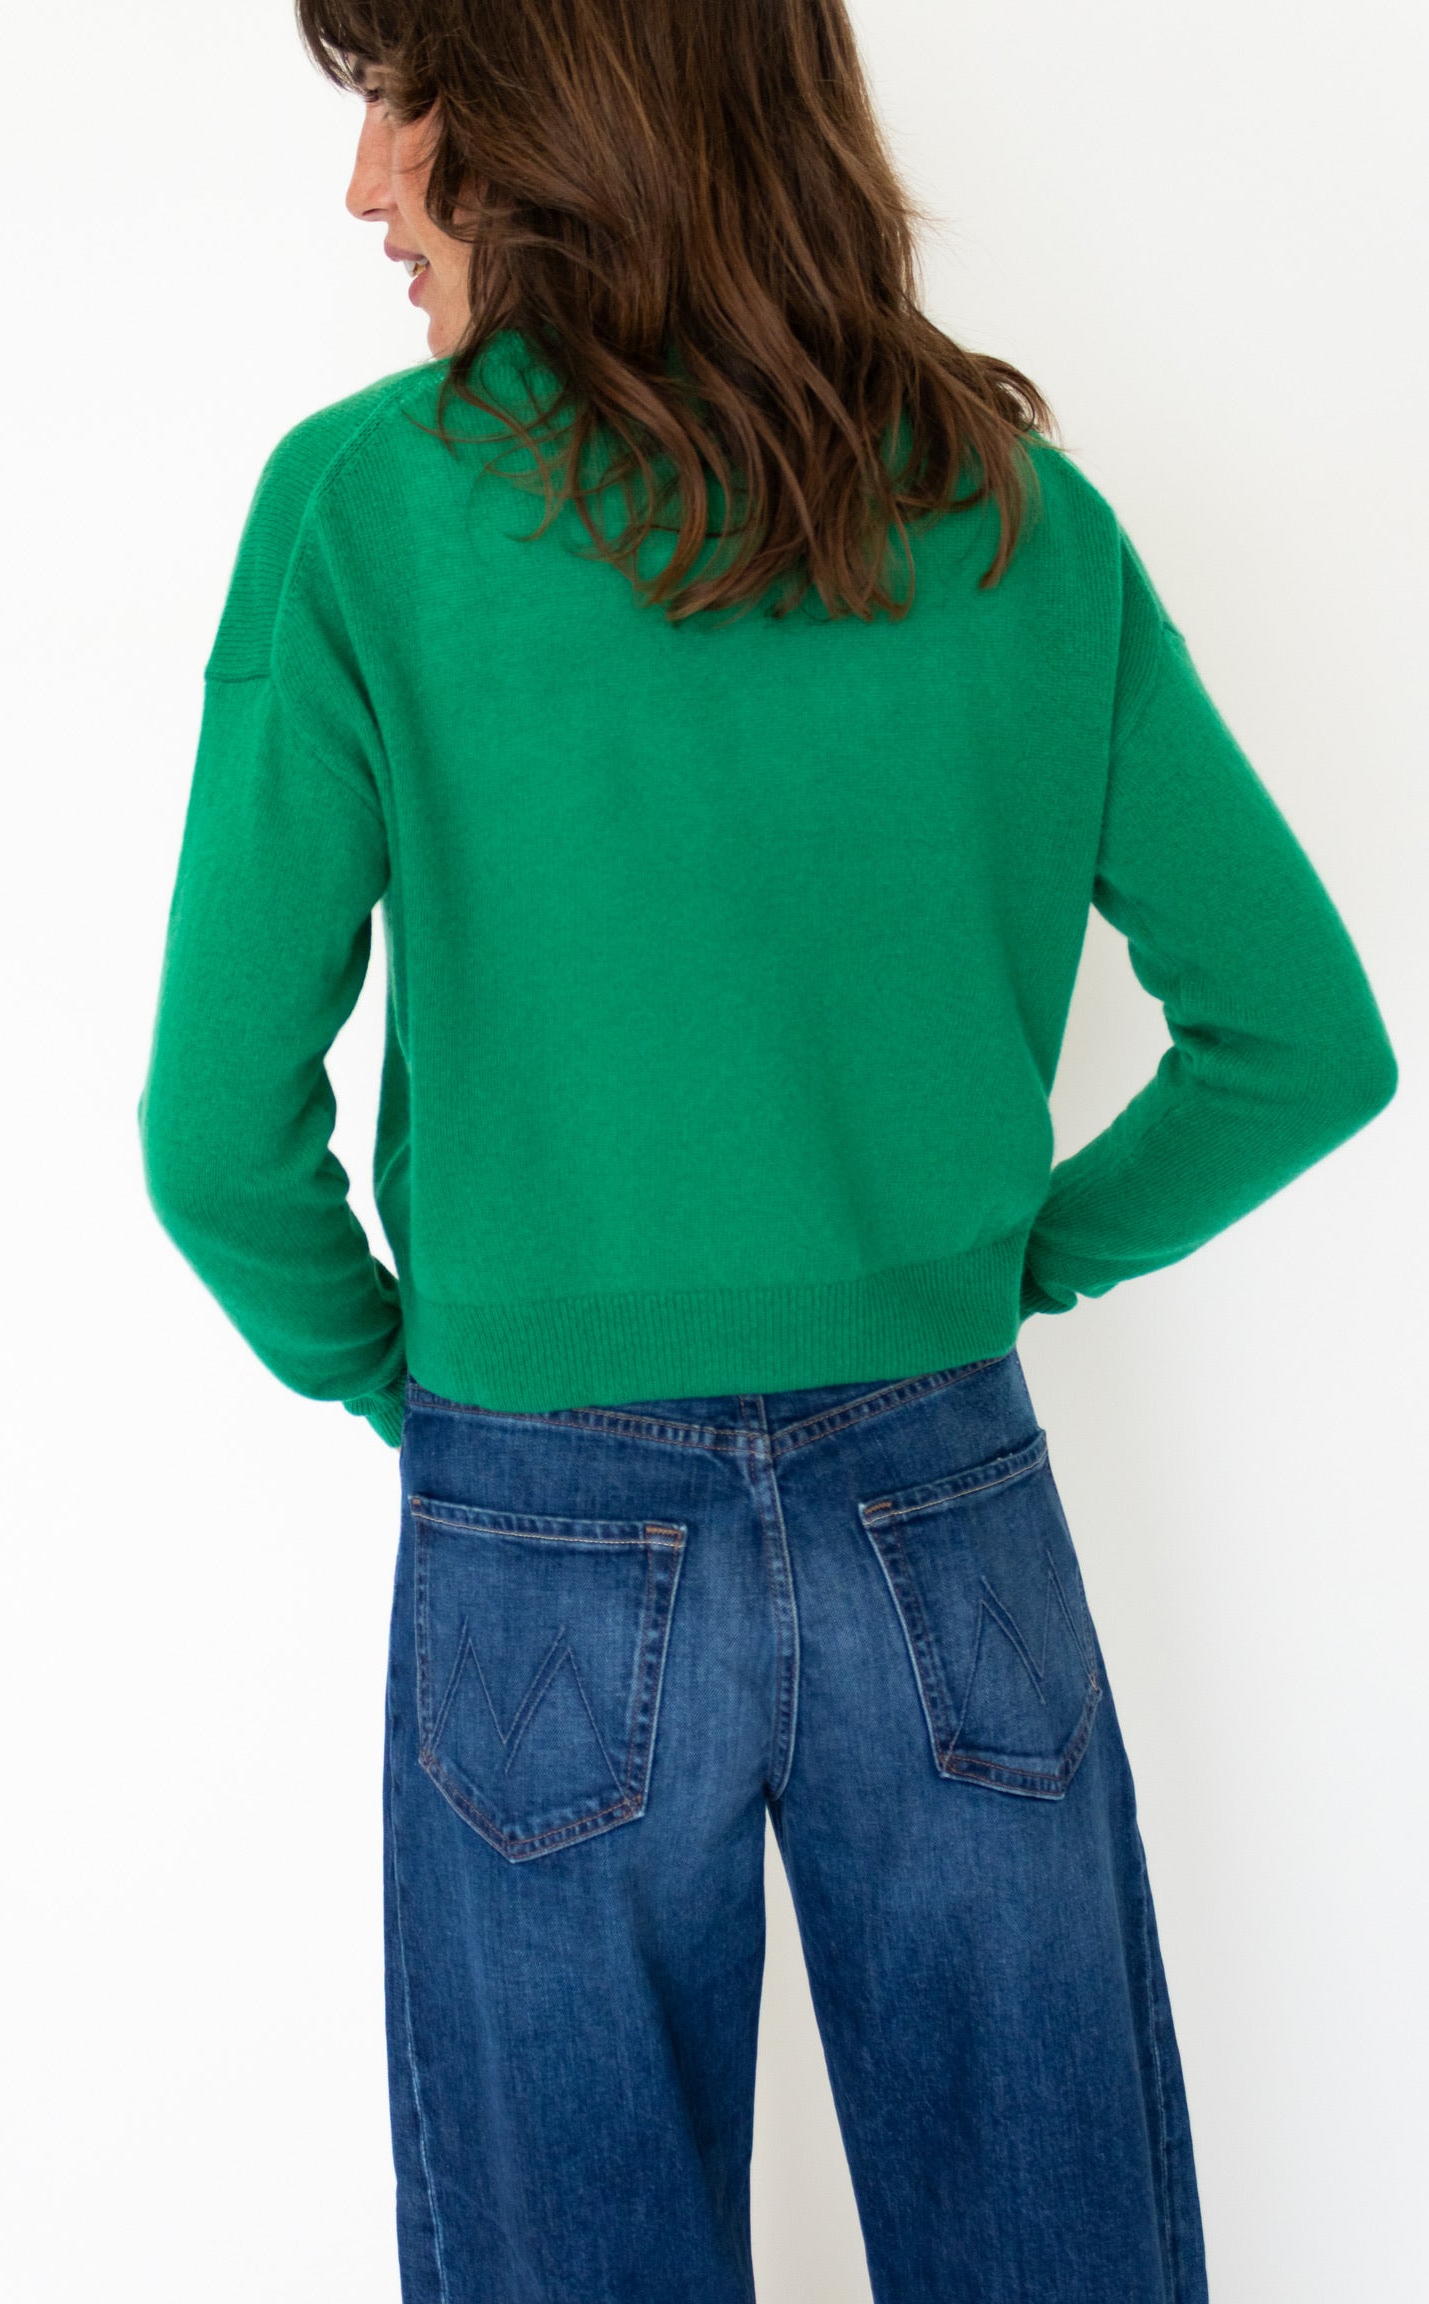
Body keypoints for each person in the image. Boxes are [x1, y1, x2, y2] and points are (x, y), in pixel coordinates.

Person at [137, 3, 1397, 2298]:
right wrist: (1004, 1268)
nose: (368, 184)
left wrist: (410, 1379)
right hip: (946, 1492)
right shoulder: (1014, 514)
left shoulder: (366, 508)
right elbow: (1299, 1044)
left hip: (537, 1513)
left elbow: (218, 1141)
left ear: (560, 104)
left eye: (406, 100)